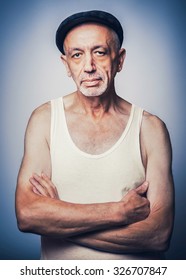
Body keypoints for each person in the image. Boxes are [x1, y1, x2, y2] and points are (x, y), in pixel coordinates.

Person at [15, 10, 174, 260]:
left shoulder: (150, 129)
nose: (88, 67)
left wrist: (58, 223)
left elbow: (158, 236)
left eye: (99, 52)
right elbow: (27, 215)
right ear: (66, 64)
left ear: (119, 60)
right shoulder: (45, 119)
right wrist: (118, 212)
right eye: (76, 55)